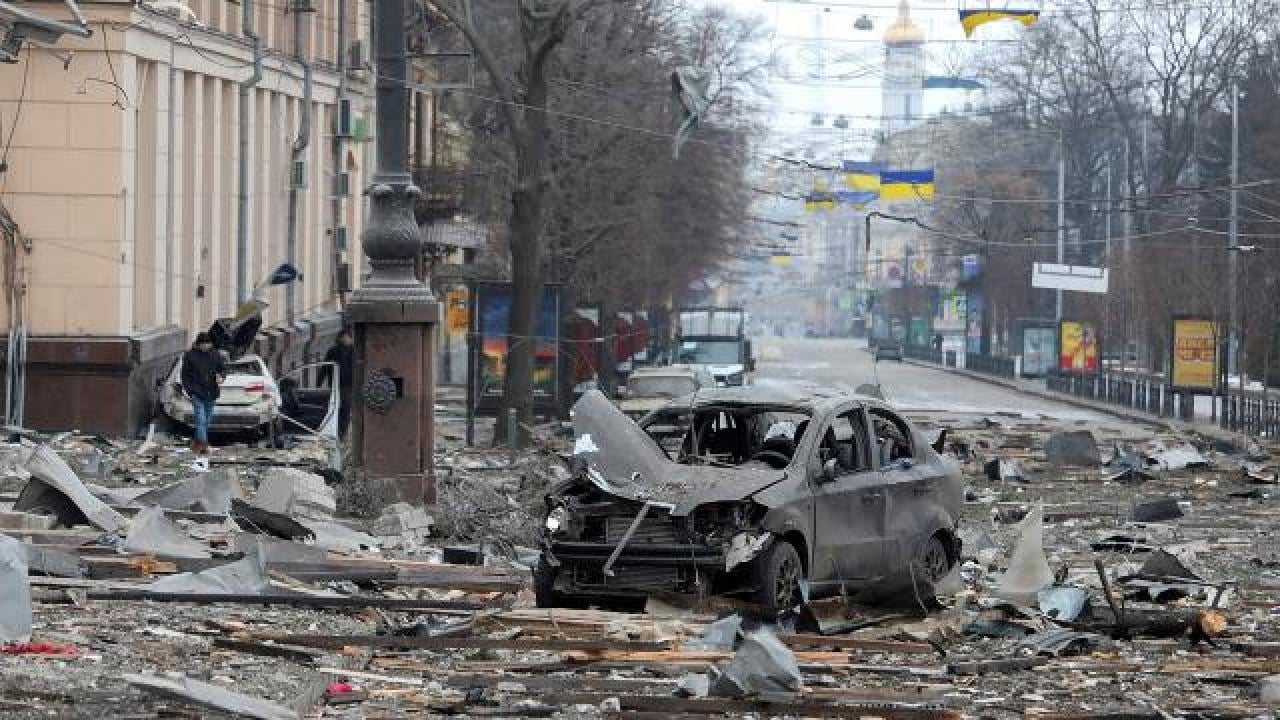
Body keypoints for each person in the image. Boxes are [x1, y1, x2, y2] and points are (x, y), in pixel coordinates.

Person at [180, 332, 225, 455]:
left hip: (211, 392)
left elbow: (222, 369)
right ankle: (204, 445)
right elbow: (185, 375)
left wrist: (221, 377)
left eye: (208, 344)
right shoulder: (190, 356)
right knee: (201, 419)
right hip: (197, 392)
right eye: (204, 344)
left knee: (207, 420)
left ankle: (196, 442)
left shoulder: (215, 354)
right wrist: (190, 391)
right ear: (198, 344)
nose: (206, 346)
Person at [321, 328, 354, 437]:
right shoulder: (333, 351)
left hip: (348, 385)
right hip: (335, 385)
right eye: (343, 337)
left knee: (346, 409)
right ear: (339, 338)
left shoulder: (355, 351)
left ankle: (342, 433)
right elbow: (325, 368)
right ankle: (336, 432)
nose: (345, 339)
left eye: (347, 337)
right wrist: (319, 382)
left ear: (351, 338)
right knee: (335, 409)